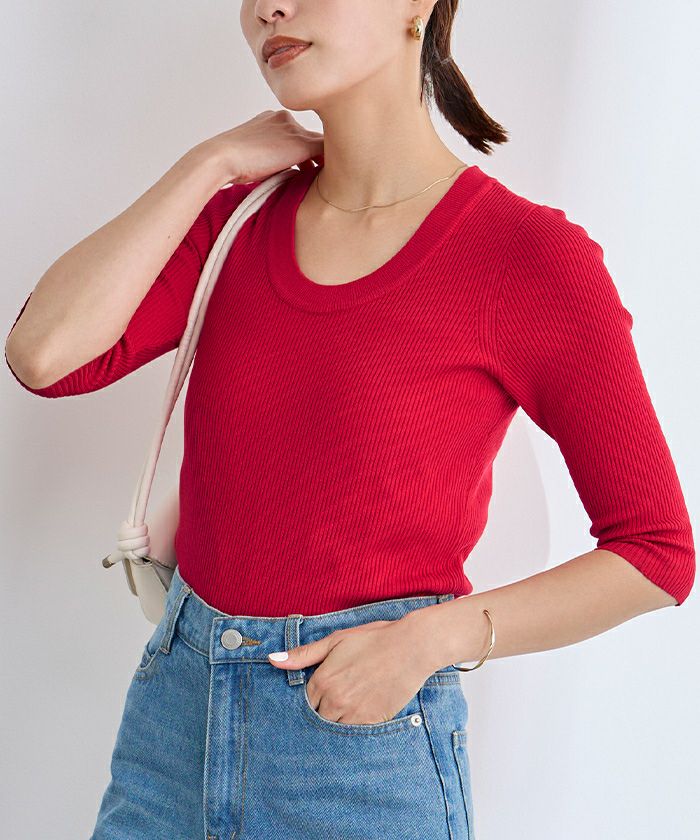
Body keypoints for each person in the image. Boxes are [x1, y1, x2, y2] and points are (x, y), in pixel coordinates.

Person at [5, 2, 695, 839]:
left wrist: (428, 642)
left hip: (360, 749)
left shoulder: (526, 258)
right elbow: (44, 357)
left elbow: (655, 552)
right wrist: (208, 162)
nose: (269, 8)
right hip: (173, 730)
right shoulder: (238, 221)